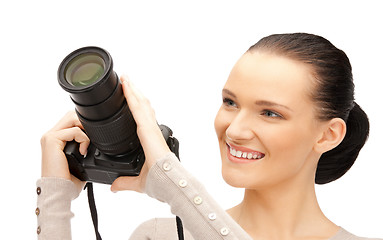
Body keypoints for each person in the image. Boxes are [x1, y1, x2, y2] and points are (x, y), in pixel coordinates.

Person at [36, 33, 382, 240]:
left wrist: (173, 184)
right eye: (230, 102)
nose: (234, 130)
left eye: (270, 113)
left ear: (328, 134)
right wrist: (55, 198)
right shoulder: (159, 236)